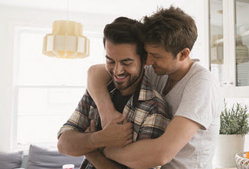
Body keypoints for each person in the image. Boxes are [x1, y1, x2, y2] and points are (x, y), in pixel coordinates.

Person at [86, 6, 222, 169]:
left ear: (183, 54)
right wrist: (106, 111)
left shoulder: (202, 83)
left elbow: (161, 154)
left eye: (156, 56)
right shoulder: (159, 72)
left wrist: (104, 149)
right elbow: (94, 72)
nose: (148, 61)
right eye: (147, 53)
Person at [57, 17, 171, 169]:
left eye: (126, 63)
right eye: (110, 61)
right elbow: (63, 144)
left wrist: (92, 153)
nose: (117, 71)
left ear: (144, 60)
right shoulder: (98, 90)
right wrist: (99, 139)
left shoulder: (154, 108)